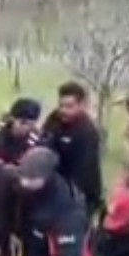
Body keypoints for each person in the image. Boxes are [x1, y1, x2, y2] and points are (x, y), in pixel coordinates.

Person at [41, 81, 103, 220]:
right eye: (61, 105)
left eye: (69, 106)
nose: (63, 110)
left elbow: (82, 174)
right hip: (53, 188)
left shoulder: (87, 133)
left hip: (78, 197)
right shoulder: (54, 120)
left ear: (81, 106)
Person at [0, 98, 42, 164]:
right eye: (23, 123)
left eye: (31, 124)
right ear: (12, 118)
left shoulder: (34, 143)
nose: (26, 128)